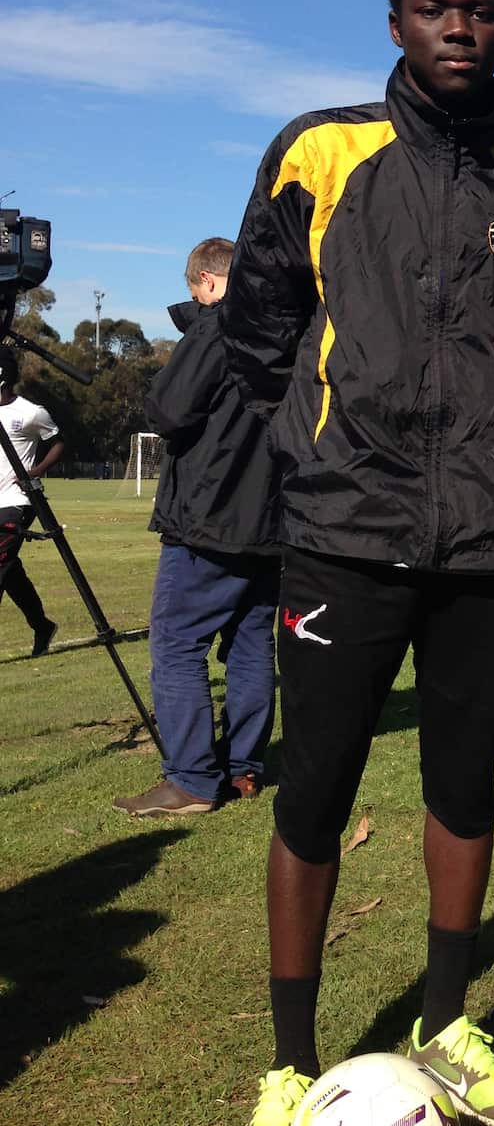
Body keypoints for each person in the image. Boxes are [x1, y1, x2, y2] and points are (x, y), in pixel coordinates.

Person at [216, 0, 494, 1126]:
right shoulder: (320, 154)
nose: (460, 28)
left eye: (480, 9)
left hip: (486, 542)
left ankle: (448, 1024)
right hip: (345, 537)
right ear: (394, 20)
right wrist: (334, 441)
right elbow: (263, 331)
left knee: (464, 785)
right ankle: (286, 1067)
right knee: (312, 795)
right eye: (436, 8)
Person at [113, 238, 278, 820]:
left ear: (208, 282)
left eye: (195, 291)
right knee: (252, 642)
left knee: (178, 642)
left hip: (211, 515)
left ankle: (190, 779)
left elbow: (169, 409)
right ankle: (243, 768)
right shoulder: (287, 325)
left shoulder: (220, 326)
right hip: (269, 516)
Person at [0, 347, 62, 657]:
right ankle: (42, 625)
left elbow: (58, 442)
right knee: (8, 570)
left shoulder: (30, 412)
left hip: (16, 502)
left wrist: (33, 472)